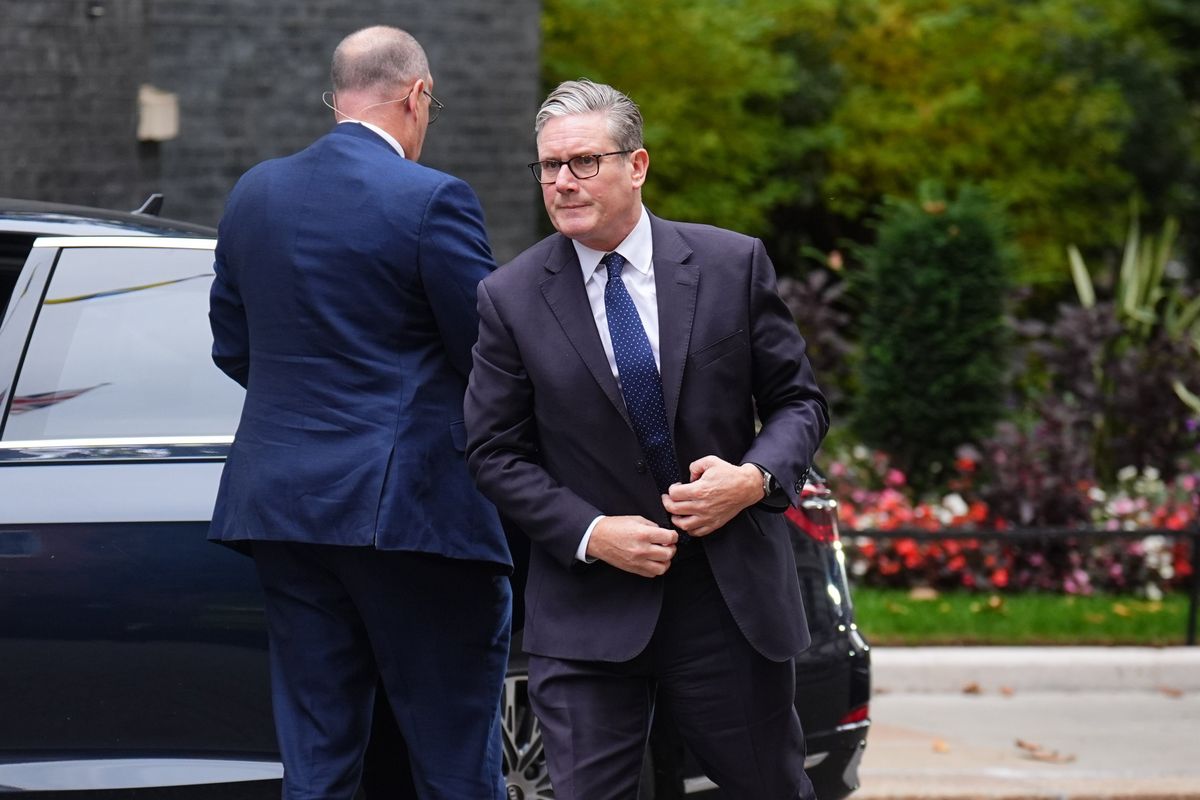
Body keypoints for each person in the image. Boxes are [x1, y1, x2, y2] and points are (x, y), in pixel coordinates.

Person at [464, 79, 829, 800]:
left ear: (637, 165)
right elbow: (492, 452)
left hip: (726, 601)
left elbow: (798, 403)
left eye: (583, 162)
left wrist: (751, 480)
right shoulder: (509, 298)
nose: (562, 182)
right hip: (590, 609)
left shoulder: (732, 265)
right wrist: (592, 531)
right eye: (548, 166)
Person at [208, 25, 511, 800]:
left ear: (335, 95)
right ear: (417, 96)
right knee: (450, 757)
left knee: (318, 757)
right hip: (409, 516)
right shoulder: (433, 197)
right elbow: (490, 355)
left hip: (282, 511)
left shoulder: (254, 193)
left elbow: (233, 349)